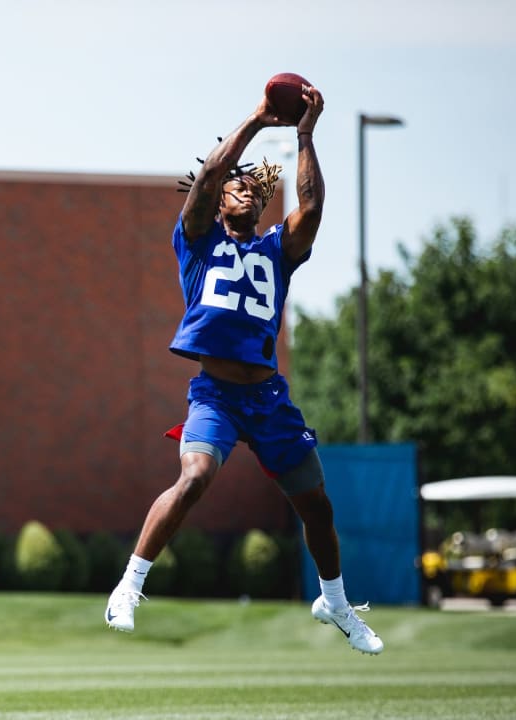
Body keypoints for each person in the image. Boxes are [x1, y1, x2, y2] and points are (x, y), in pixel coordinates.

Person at [103, 83, 383, 655]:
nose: (248, 194)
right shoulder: (197, 241)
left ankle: (334, 601)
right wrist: (259, 119)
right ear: (220, 199)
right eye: (239, 187)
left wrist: (304, 135)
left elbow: (313, 208)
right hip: (216, 397)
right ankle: (129, 585)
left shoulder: (277, 249)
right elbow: (208, 177)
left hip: (270, 401)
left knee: (316, 502)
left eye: (257, 191)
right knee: (196, 477)